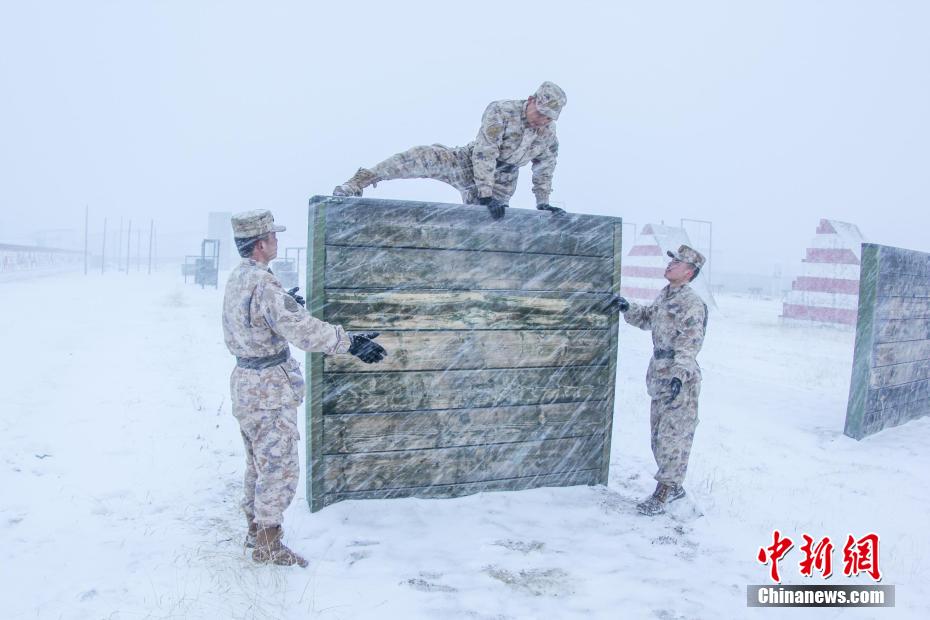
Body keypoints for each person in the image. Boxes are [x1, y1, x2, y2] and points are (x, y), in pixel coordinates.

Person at [222, 209, 387, 566]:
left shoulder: (240, 277)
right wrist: (350, 343)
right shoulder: (264, 285)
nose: (277, 241)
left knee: (258, 463)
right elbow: (303, 331)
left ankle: (255, 531)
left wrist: (287, 307)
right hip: (267, 390)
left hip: (246, 384)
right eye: (273, 236)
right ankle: (269, 545)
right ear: (260, 244)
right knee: (278, 467)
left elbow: (257, 321)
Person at [332, 81, 568, 220]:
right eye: (540, 113)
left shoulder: (548, 135)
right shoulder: (502, 111)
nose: (542, 120)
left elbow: (545, 168)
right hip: (469, 162)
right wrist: (484, 193)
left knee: (486, 223)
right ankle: (359, 182)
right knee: (423, 157)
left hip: (503, 181)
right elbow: (486, 151)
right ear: (531, 100)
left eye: (549, 118)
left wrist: (543, 203)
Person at [605, 245, 708, 516]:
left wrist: (679, 376)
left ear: (689, 272)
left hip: (679, 379)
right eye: (671, 261)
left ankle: (664, 493)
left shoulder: (692, 303)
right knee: (658, 437)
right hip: (660, 375)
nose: (670, 265)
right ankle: (674, 488)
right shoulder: (666, 295)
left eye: (677, 263)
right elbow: (648, 318)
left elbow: (690, 343)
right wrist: (627, 307)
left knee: (673, 438)